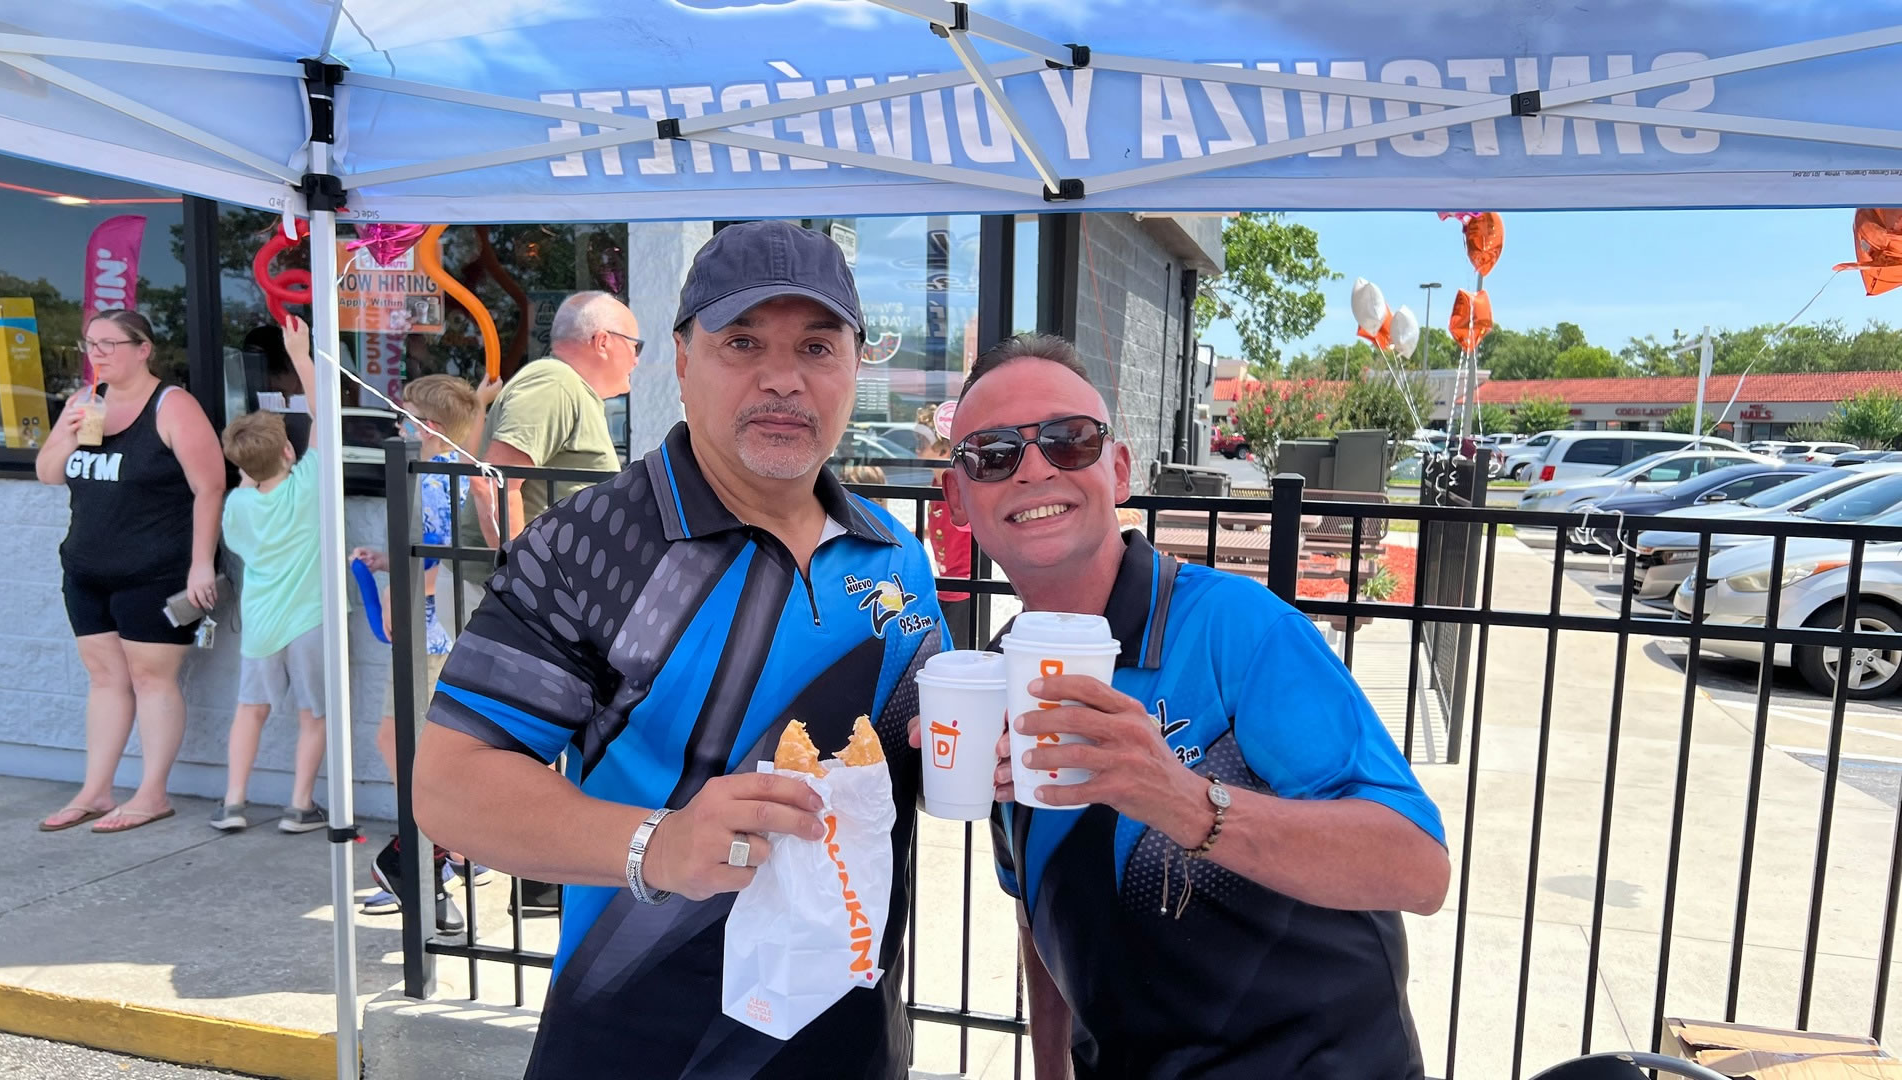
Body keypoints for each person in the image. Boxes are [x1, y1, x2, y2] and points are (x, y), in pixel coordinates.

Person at [414, 220, 946, 1079]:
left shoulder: (895, 555)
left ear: (855, 367)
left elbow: (916, 757)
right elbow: (450, 786)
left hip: (852, 1034)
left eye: (817, 346)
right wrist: (657, 844)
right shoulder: (586, 546)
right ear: (683, 361)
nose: (783, 378)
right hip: (640, 1039)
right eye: (743, 342)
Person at [934, 333, 1449, 1079]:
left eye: (1069, 440)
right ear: (957, 498)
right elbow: (1039, 911)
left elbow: (1418, 866)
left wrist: (1182, 801)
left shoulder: (1239, 629)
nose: (1036, 468)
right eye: (992, 454)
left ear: (1118, 469)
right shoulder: (1000, 676)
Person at [35, 308, 225, 834]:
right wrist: (67, 434)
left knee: (150, 678)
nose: (96, 354)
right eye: (89, 344)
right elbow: (48, 473)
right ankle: (95, 790)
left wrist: (201, 565)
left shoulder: (173, 405)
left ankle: (151, 794)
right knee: (104, 678)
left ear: (143, 349)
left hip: (155, 571)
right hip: (86, 568)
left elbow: (210, 486)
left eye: (108, 344)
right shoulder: (84, 402)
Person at [350, 373, 487, 924]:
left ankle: (432, 848)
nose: (397, 424)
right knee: (418, 744)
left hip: (430, 634)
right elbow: (430, 551)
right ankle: (450, 845)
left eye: (403, 416)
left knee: (403, 743)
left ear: (426, 427)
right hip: (440, 630)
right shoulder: (455, 472)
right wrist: (388, 563)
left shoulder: (434, 479)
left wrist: (399, 592)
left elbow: (443, 562)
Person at [209, 316, 329, 835]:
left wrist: (247, 474)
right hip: (311, 619)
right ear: (288, 451)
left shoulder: (237, 505)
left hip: (260, 625)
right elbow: (325, 414)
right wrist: (300, 354)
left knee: (250, 709)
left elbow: (239, 537)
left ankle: (233, 802)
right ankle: (299, 806)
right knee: (314, 714)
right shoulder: (309, 484)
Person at [457, 291, 634, 586]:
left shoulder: (566, 386)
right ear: (603, 341)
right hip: (510, 595)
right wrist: (521, 581)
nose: (637, 360)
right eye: (635, 346)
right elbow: (493, 483)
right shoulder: (555, 385)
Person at [916, 404, 974, 647]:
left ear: (942, 447)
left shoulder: (957, 488)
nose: (917, 448)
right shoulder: (936, 483)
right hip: (947, 583)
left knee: (958, 649)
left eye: (922, 442)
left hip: (963, 585)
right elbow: (942, 523)